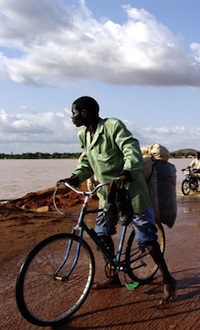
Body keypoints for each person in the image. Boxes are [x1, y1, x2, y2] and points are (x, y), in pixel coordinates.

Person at [59, 96, 176, 304]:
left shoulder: (113, 126)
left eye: (74, 112)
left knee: (147, 238)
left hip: (131, 191)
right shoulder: (84, 134)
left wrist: (127, 172)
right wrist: (75, 177)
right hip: (106, 194)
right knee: (102, 235)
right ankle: (112, 275)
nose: (72, 117)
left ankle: (168, 278)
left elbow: (131, 149)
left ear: (85, 113)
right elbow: (86, 160)